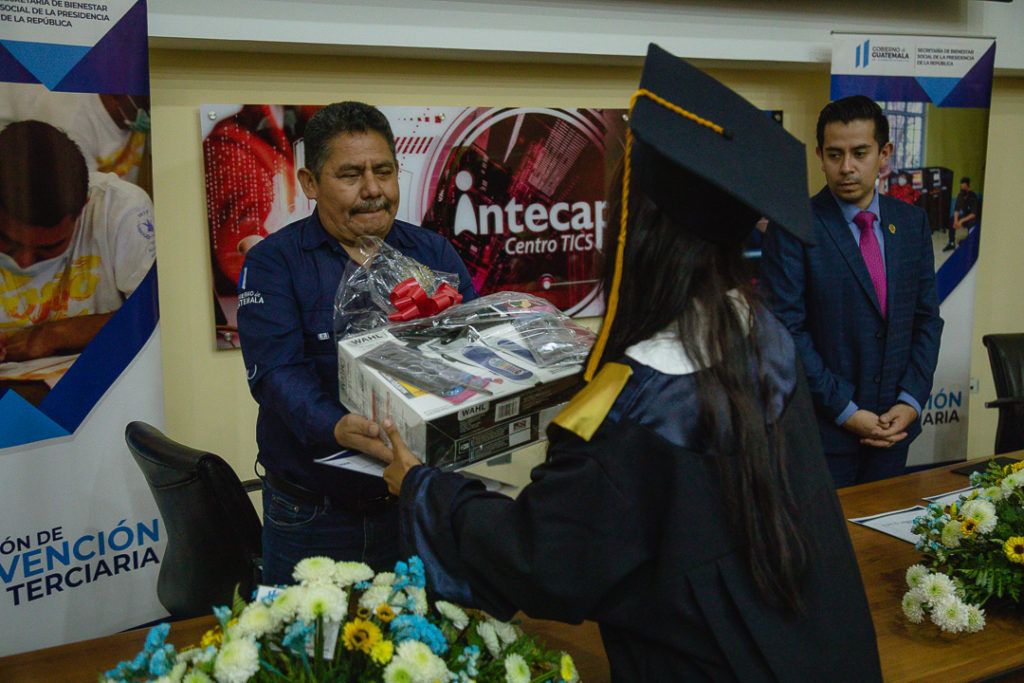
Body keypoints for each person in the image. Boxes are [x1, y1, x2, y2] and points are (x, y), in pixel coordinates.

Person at [370, 45, 881, 681]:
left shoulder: (641, 402)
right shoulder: (761, 335)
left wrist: (421, 487)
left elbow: (546, 558)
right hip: (814, 645)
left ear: (637, 235)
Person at [236, 101, 478, 584]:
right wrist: (338, 427)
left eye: (384, 171)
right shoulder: (274, 263)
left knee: (422, 647)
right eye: (350, 175)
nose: (373, 190)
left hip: (414, 506)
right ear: (309, 184)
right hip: (315, 514)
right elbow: (277, 373)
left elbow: (474, 346)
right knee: (309, 653)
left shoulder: (433, 253)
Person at [760, 96, 943, 487]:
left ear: (884, 154)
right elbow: (787, 333)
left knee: (885, 543)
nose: (846, 167)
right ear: (819, 156)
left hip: (896, 429)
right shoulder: (793, 229)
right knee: (828, 546)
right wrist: (846, 410)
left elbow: (927, 319)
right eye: (835, 154)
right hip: (825, 435)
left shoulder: (911, 224)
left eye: (860, 153)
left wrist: (910, 401)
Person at [0, 120, 156, 363]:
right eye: (7, 242)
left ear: (84, 206)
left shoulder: (118, 209)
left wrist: (54, 335)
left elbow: (153, 317)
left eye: (48, 248)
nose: (24, 262)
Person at [945, 176, 979, 252]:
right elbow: (956, 209)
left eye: (964, 187)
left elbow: (973, 214)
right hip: (964, 217)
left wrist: (961, 221)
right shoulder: (960, 195)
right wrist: (956, 220)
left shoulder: (973, 197)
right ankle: (951, 243)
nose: (962, 189)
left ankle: (971, 244)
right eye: (961, 187)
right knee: (951, 220)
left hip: (973, 218)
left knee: (972, 224)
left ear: (968, 187)